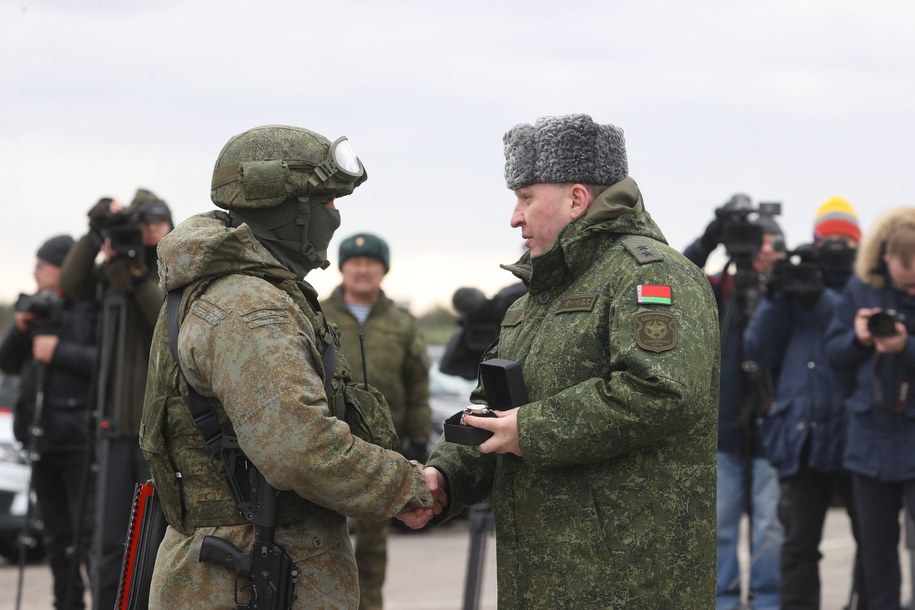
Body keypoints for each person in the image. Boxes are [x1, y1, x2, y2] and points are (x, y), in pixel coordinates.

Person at [401, 114, 720, 608]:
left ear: (576, 198)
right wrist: (445, 478)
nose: (514, 216)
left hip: (629, 581)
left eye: (526, 197)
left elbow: (661, 389)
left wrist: (532, 429)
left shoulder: (653, 279)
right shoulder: (531, 302)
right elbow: (494, 410)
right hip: (542, 578)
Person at [141, 124, 432, 609]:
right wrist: (410, 487)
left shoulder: (237, 289)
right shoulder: (252, 309)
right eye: (326, 203)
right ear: (288, 210)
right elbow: (298, 447)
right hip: (247, 573)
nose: (334, 218)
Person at [744, 196, 866, 610]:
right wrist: (779, 295)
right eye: (827, 240)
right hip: (803, 436)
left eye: (844, 241)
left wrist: (821, 299)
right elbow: (756, 348)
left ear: (858, 244)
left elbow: (858, 336)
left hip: (855, 436)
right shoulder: (794, 287)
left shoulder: (865, 286)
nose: (835, 250)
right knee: (797, 545)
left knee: (872, 542)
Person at [58, 190, 172, 610]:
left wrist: (139, 276)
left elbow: (163, 319)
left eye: (155, 224)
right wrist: (94, 235)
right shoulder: (110, 276)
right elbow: (70, 285)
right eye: (139, 225)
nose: (146, 233)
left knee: (155, 537)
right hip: (113, 427)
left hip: (156, 431)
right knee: (108, 541)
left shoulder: (172, 274)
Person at [684, 197, 786, 610]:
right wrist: (711, 235)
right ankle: (722, 600)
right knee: (720, 524)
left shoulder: (786, 294)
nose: (763, 253)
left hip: (771, 429)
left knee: (771, 527)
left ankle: (767, 599)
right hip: (724, 429)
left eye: (771, 245)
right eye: (756, 243)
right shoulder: (717, 291)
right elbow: (680, 275)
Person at [321, 232, 431, 610]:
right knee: (321, 539)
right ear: (343, 268)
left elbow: (417, 384)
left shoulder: (401, 322)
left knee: (373, 545)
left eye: (371, 264)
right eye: (355, 263)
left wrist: (418, 437)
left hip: (385, 449)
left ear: (383, 270)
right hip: (329, 445)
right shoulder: (318, 315)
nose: (363, 270)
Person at [825, 207, 915, 610]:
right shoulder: (861, 289)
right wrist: (859, 339)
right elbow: (834, 355)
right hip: (869, 440)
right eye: (904, 278)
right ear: (885, 259)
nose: (909, 288)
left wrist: (906, 346)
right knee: (876, 553)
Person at [0, 235, 96, 610]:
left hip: (79, 440)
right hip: (41, 440)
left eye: (40, 266)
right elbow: (7, 363)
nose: (34, 273)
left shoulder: (88, 307)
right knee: (57, 537)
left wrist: (59, 351)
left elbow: (105, 362)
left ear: (60, 268)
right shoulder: (35, 309)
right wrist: (20, 328)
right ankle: (66, 603)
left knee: (86, 534)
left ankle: (102, 598)